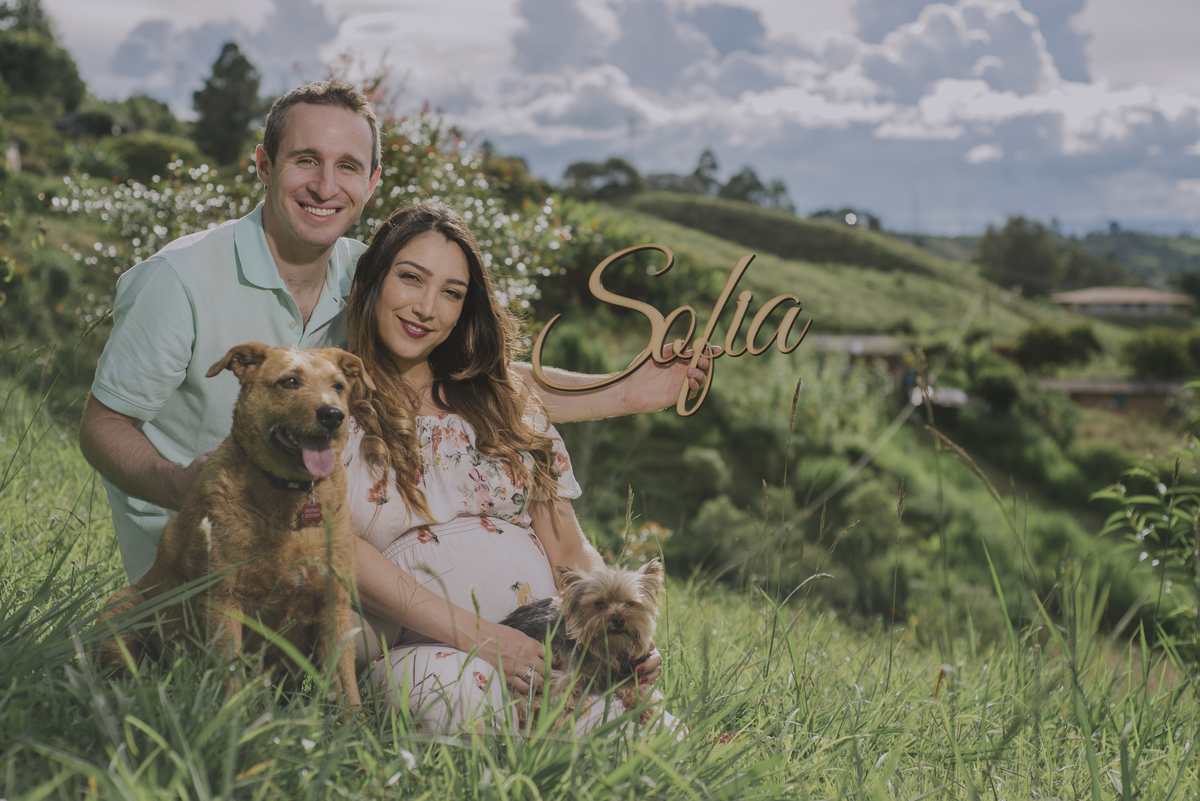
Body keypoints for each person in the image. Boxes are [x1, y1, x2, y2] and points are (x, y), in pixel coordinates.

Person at [78, 80, 709, 583]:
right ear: (264, 165)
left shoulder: (369, 277)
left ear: (372, 183)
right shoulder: (180, 279)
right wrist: (181, 483)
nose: (326, 186)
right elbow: (103, 425)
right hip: (194, 564)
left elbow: (477, 380)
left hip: (309, 554)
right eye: (305, 160)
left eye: (348, 166)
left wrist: (629, 389)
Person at [346, 201, 674, 735]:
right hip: (426, 644)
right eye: (410, 278)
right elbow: (336, 547)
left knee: (640, 728)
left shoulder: (505, 402)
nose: (426, 308)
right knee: (457, 700)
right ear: (372, 280)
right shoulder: (331, 404)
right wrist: (484, 638)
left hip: (557, 644)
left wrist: (620, 634)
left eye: (452, 293)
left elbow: (568, 548)